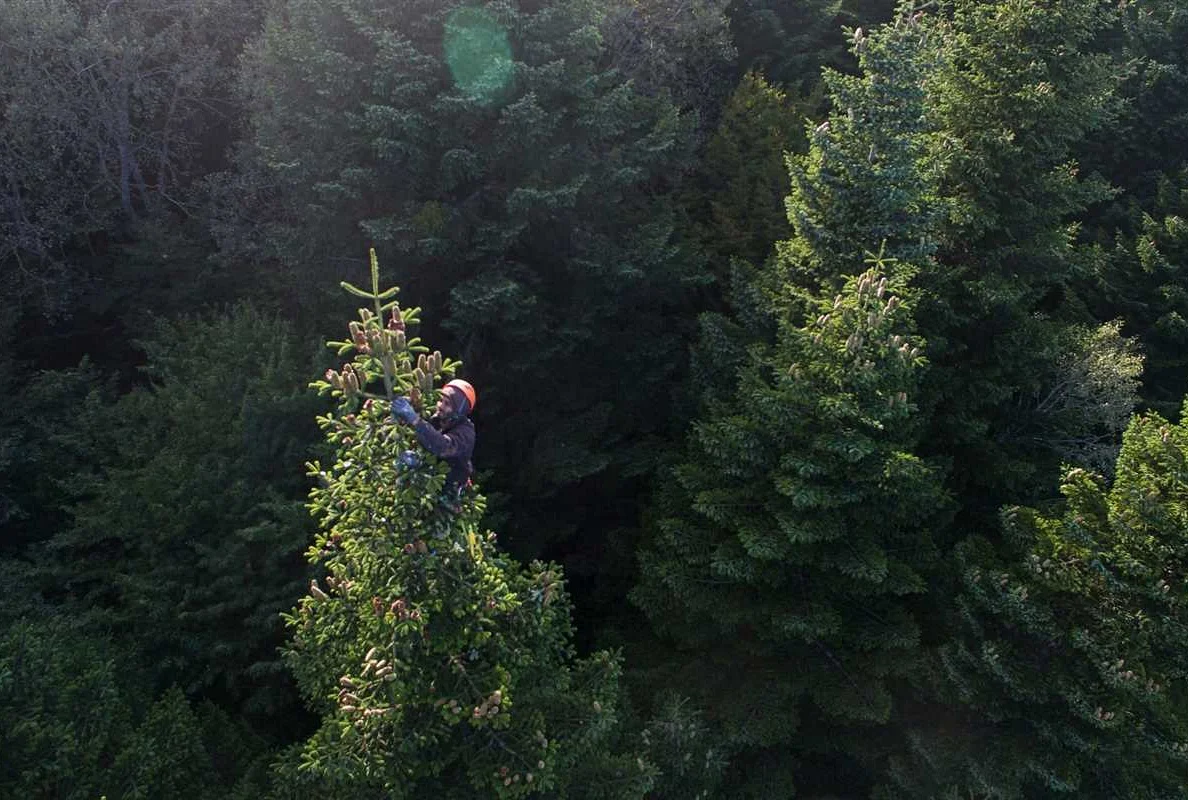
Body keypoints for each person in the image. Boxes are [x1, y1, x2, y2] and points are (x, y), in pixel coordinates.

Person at [391, 379, 476, 507]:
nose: (440, 406)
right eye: (440, 400)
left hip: (449, 492)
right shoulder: (438, 419)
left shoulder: (466, 433)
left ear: (459, 410)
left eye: (447, 404)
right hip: (428, 482)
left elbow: (443, 447)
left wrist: (414, 419)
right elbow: (424, 432)